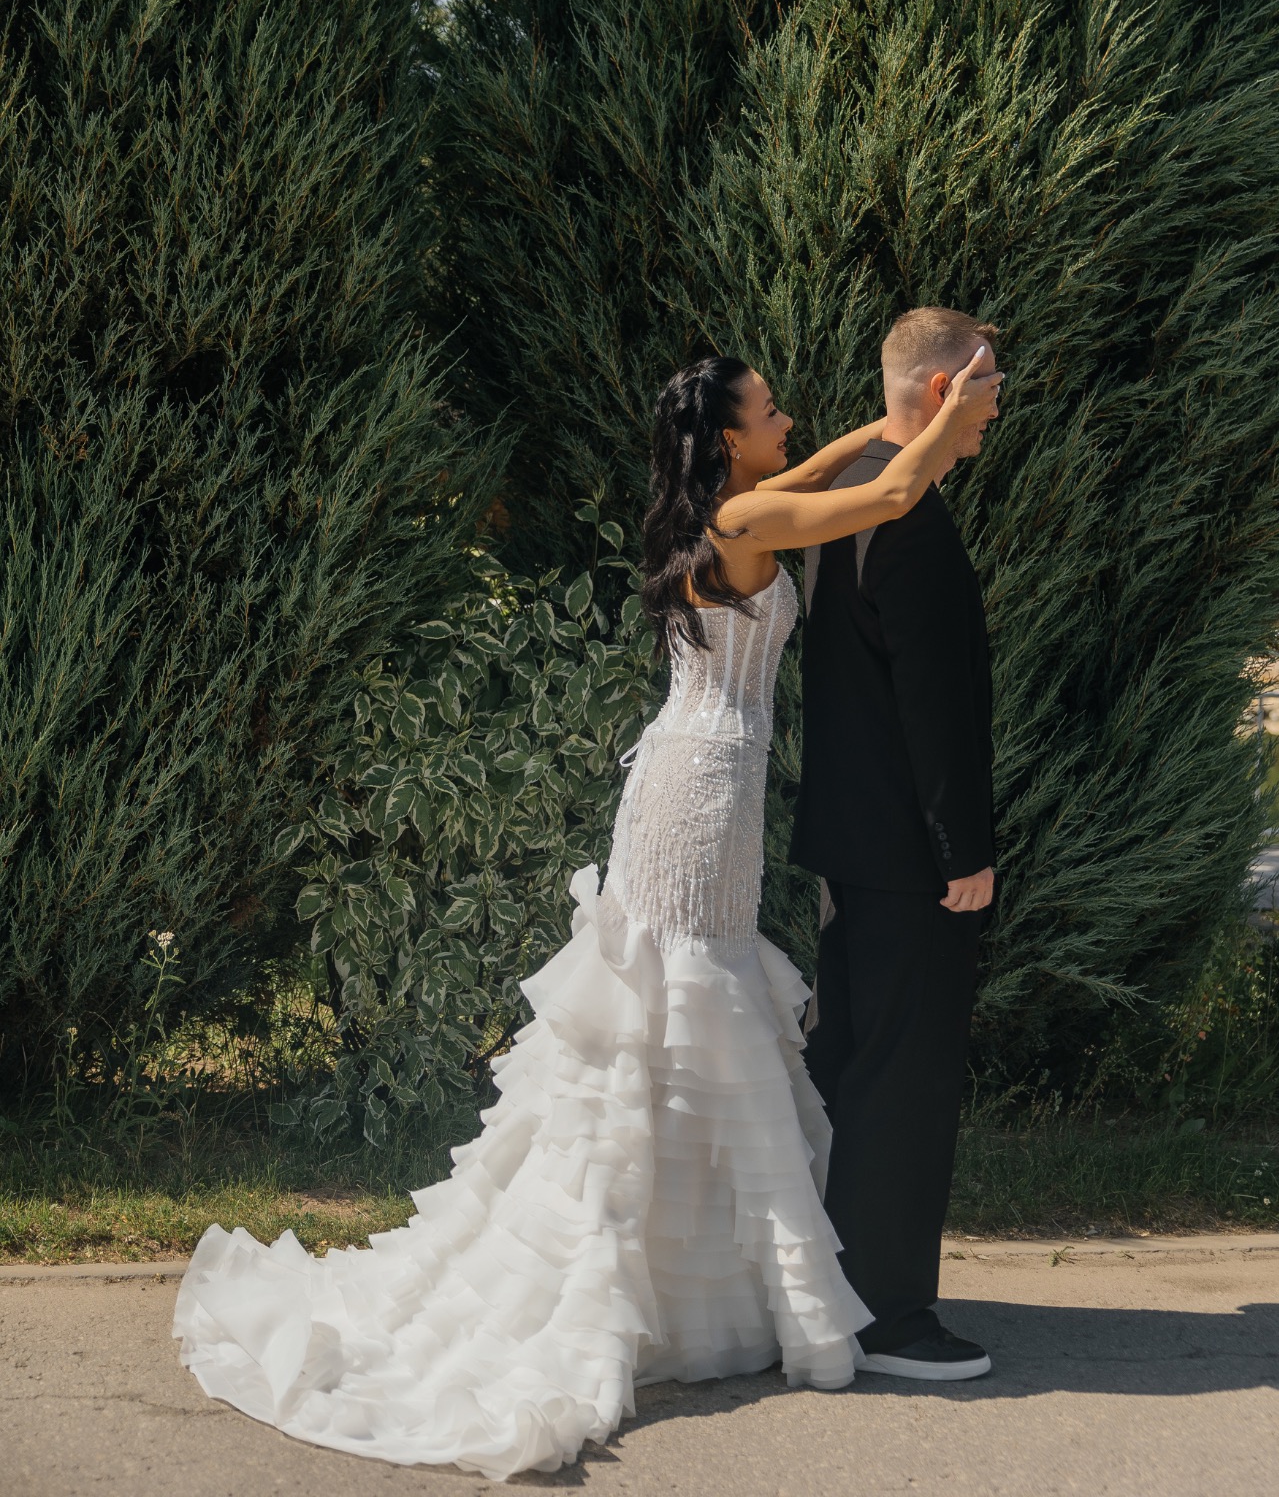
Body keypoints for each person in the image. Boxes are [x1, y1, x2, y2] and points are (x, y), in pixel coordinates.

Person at [173, 343, 1002, 1480]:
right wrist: (941, 418)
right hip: (696, 792)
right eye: (769, 413)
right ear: (729, 442)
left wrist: (891, 422)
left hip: (710, 786)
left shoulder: (735, 504)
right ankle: (607, 1277)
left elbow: (840, 468)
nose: (788, 423)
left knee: (688, 1014)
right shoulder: (747, 516)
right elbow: (893, 493)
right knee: (671, 1013)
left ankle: (680, 1278)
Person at [792, 307, 1001, 1382]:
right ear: (939, 390)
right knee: (901, 1080)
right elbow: (931, 702)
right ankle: (886, 1320)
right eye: (985, 387)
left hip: (854, 838)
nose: (994, 409)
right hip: (908, 851)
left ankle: (829, 1291)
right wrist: (961, 848)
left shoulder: (853, 489)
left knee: (849, 1066)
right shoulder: (900, 513)